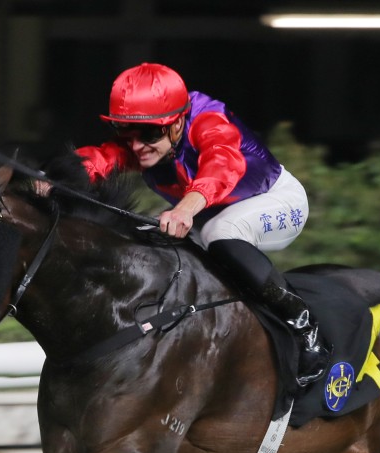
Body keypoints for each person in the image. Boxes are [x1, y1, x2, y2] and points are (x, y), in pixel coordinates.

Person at [73, 62, 329, 387]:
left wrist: (185, 209)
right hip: (211, 215)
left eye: (150, 133)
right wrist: (54, 177)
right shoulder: (146, 140)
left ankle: (304, 325)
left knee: (217, 232)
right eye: (127, 132)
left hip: (277, 201)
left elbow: (221, 165)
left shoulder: (209, 121)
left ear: (179, 122)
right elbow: (101, 158)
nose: (137, 146)